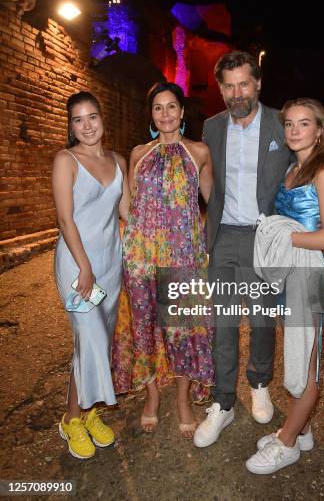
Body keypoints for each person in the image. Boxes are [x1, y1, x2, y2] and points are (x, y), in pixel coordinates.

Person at [193, 51, 292, 448]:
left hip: (265, 236)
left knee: (263, 317)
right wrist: (212, 208)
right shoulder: (212, 127)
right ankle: (223, 402)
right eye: (228, 86)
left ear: (258, 84)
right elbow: (205, 172)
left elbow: (302, 168)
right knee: (224, 322)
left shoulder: (279, 124)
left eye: (243, 84)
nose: (237, 93)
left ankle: (260, 382)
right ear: (220, 89)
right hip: (225, 237)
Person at [111, 81, 214, 438]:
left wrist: (205, 244)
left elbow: (212, 202)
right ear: (151, 115)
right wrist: (125, 240)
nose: (166, 114)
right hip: (141, 255)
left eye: (172, 106)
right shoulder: (139, 153)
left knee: (182, 327)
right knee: (145, 325)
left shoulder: (199, 152)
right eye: (158, 108)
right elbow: (127, 204)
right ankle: (152, 396)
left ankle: (183, 399)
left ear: (183, 112)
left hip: (183, 254)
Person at [246, 97, 324, 474]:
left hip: (309, 276)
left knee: (308, 366)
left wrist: (284, 237)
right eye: (289, 124)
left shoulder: (323, 172)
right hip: (288, 276)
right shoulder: (290, 169)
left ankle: (286, 444)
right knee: (297, 354)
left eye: (304, 124)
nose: (295, 131)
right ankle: (300, 430)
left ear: (319, 131)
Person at [53, 91, 130, 459]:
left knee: (97, 342)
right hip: (77, 263)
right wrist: (84, 266)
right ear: (70, 126)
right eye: (78, 120)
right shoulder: (65, 160)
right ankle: (71, 421)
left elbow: (128, 213)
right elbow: (65, 219)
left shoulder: (118, 161)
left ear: (103, 119)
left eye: (92, 117)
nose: (86, 126)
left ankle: (90, 412)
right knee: (89, 337)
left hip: (111, 263)